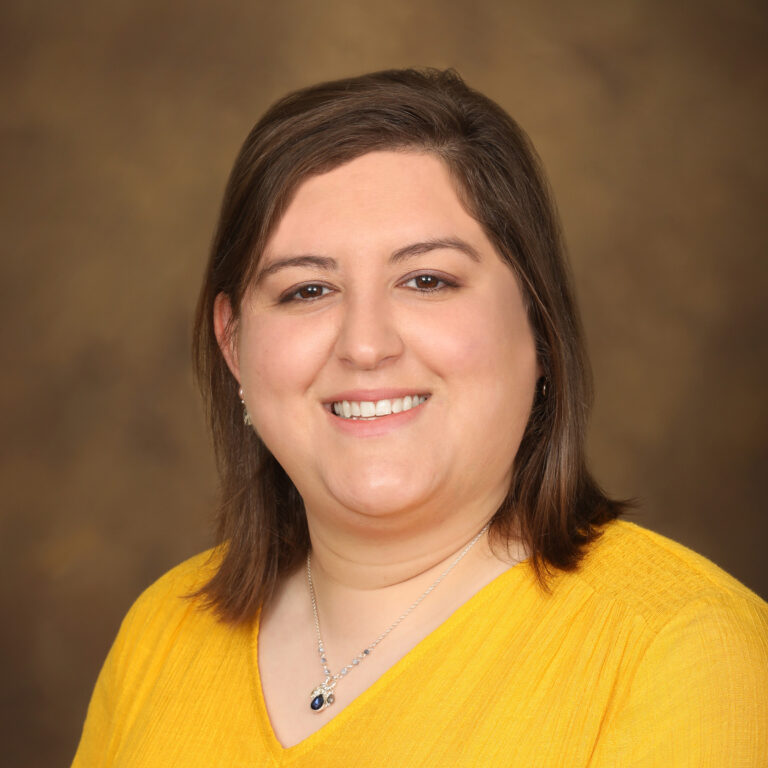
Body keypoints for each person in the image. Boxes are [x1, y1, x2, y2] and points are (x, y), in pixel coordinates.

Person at [72, 68, 768, 766]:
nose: (366, 345)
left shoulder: (686, 649)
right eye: (307, 289)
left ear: (538, 326)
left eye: (426, 280)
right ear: (234, 346)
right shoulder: (161, 633)